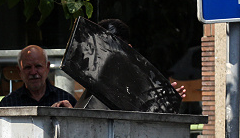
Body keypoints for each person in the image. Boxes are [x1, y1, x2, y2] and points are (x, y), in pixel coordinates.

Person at [52, 18, 186, 109]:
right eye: (103, 48)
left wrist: (165, 104)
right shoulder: (95, 84)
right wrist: (71, 114)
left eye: (113, 48)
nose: (108, 56)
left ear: (129, 50)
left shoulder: (141, 86)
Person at [0, 44, 77, 107]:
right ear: (19, 71)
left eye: (38, 66)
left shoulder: (66, 99)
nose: (33, 72)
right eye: (28, 67)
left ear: (47, 67)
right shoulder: (8, 104)